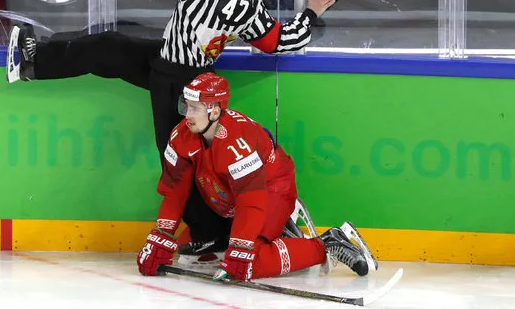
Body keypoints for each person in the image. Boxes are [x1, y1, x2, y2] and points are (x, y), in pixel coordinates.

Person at [6, 0, 338, 262]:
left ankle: (209, 234)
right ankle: (34, 61)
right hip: (186, 73)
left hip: (176, 81)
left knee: (180, 160)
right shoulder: (248, 7)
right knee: (109, 47)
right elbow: (281, 41)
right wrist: (310, 14)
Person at [137, 72, 377, 281]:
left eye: (194, 108)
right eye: (186, 106)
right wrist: (161, 234)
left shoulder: (237, 141)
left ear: (215, 111)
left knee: (249, 263)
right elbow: (174, 189)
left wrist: (241, 247)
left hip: (270, 190)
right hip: (228, 199)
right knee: (183, 248)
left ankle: (326, 243)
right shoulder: (182, 135)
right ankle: (270, 234)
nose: (187, 115)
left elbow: (251, 200)